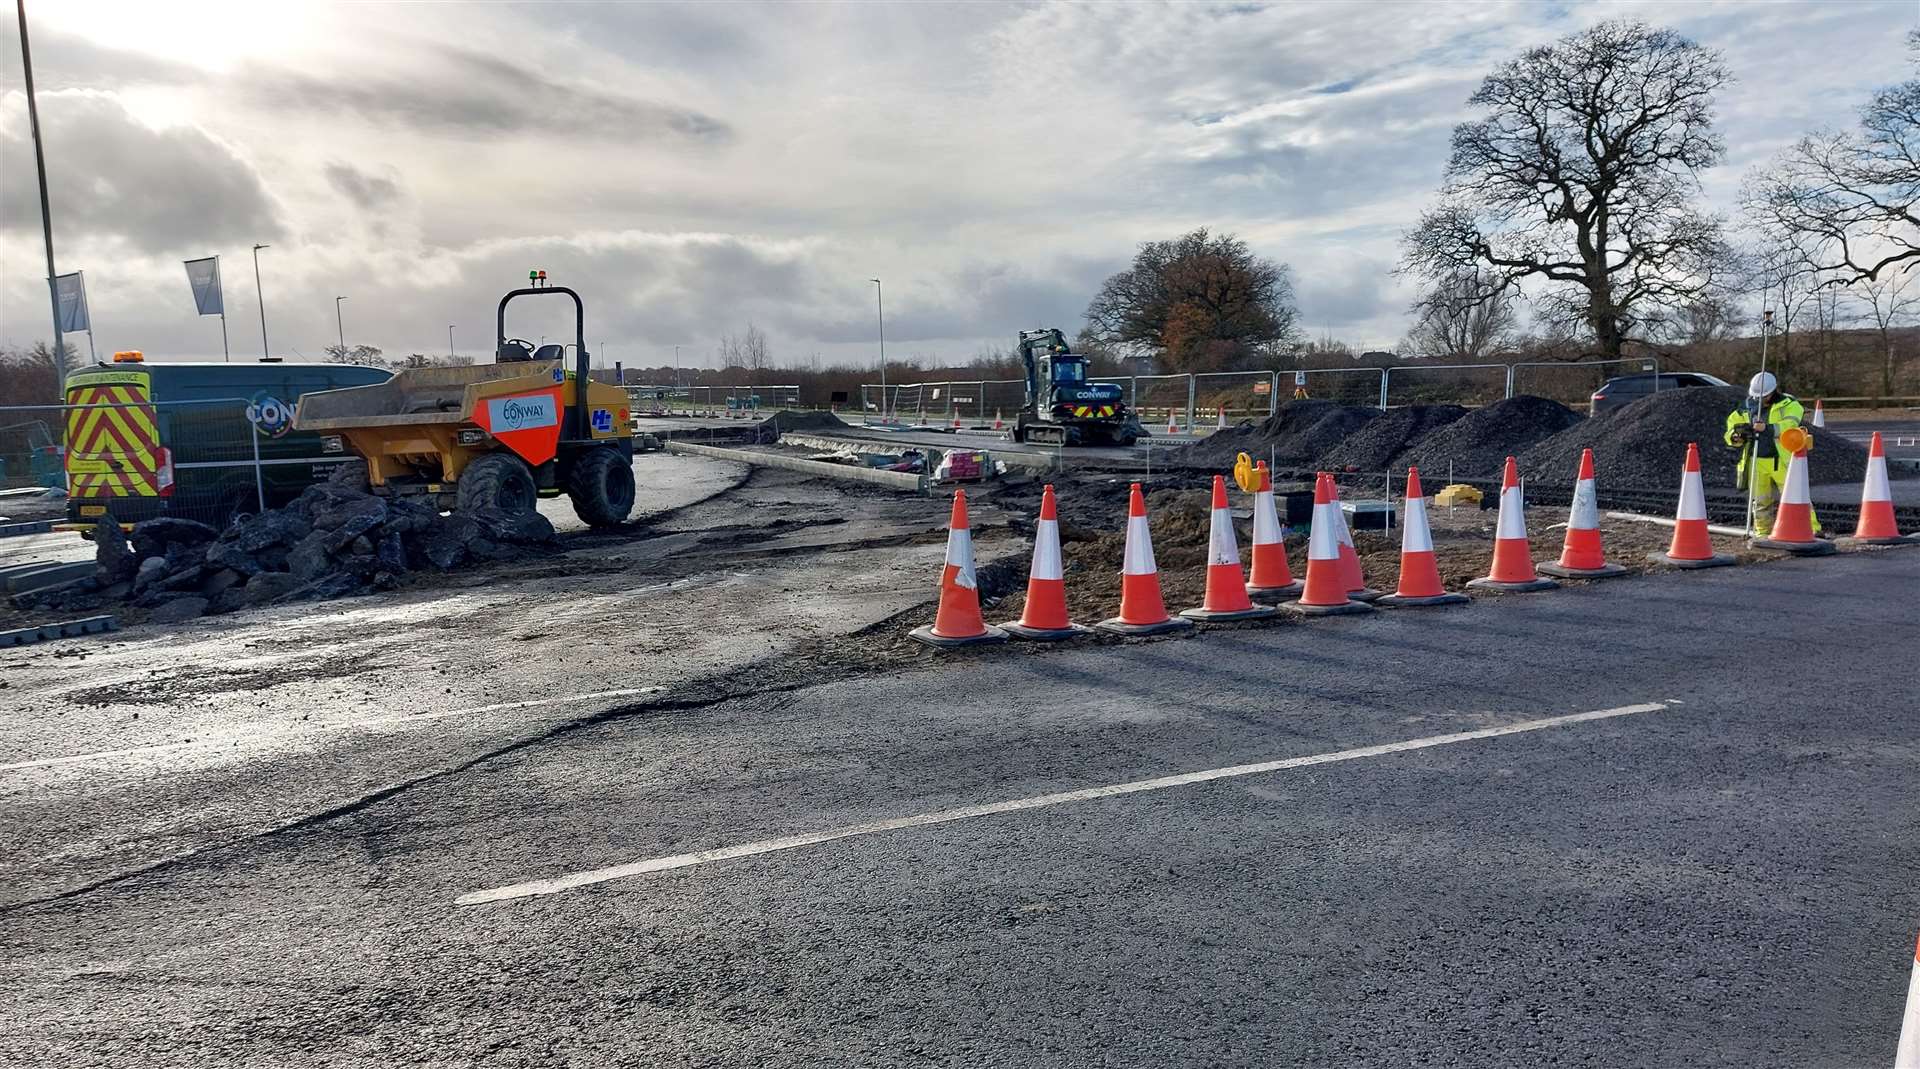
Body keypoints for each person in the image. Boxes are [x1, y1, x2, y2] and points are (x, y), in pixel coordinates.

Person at [1723, 371, 1819, 538]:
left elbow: (1790, 424)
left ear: (1773, 391)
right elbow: (1731, 428)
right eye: (1757, 396)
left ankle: (1812, 529)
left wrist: (1768, 428)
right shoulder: (1745, 407)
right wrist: (1736, 435)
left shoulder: (1789, 404)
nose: (1760, 400)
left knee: (1796, 495)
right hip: (1755, 460)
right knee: (1760, 501)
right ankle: (1762, 533)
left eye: (1764, 396)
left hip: (1781, 459)